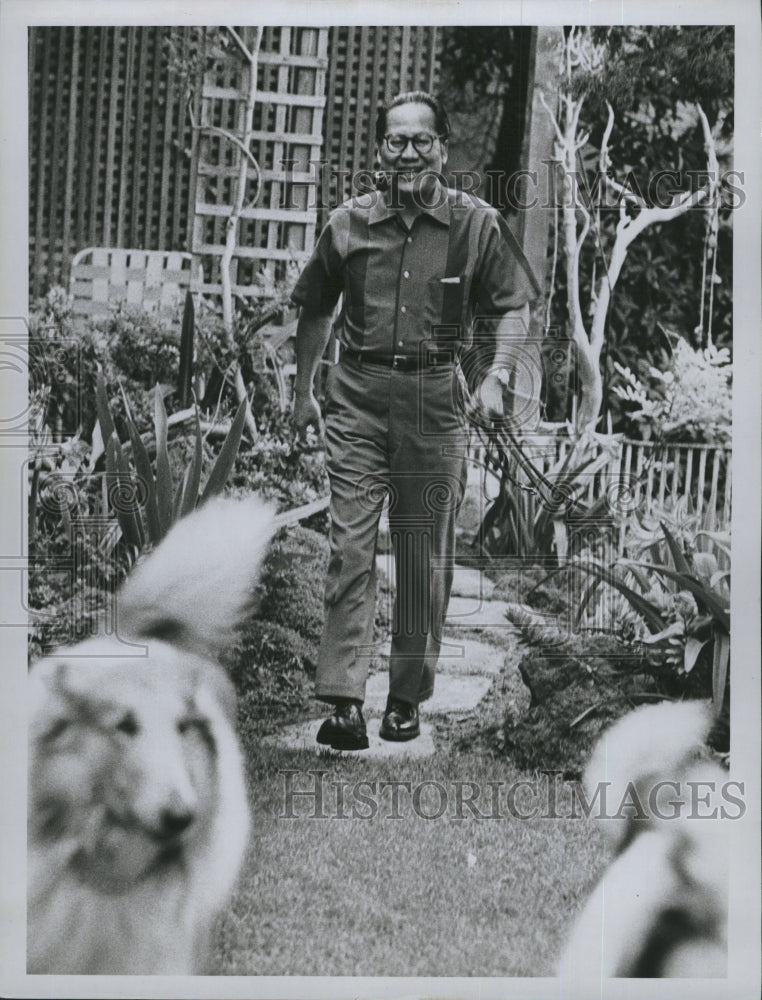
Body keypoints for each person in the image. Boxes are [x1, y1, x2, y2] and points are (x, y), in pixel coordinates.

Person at [292, 90, 538, 750]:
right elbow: (314, 309)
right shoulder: (347, 224)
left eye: (420, 140)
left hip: (436, 398)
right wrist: (303, 392)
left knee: (422, 555)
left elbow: (516, 304)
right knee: (349, 547)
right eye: (395, 140)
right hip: (358, 394)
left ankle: (404, 697)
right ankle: (343, 700)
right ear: (380, 148)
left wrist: (496, 377)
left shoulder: (474, 224)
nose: (407, 151)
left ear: (442, 149)